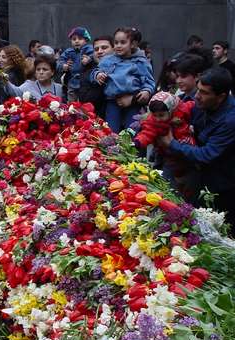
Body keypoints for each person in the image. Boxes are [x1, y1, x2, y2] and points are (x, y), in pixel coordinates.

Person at [158, 68, 235, 228]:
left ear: (221, 97)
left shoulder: (230, 120)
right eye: (198, 89)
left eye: (204, 93)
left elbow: (207, 154)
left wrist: (172, 143)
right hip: (199, 175)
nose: (197, 96)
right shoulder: (201, 104)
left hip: (223, 184)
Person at [91, 27, 155, 132]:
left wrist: (146, 91)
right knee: (111, 132)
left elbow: (149, 81)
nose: (118, 46)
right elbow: (94, 72)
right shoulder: (108, 60)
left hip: (133, 103)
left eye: (123, 42)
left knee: (132, 132)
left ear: (133, 44)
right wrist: (98, 75)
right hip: (112, 101)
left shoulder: (140, 62)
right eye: (116, 43)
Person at [134, 92, 196, 195]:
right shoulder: (153, 122)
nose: (158, 119)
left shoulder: (181, 110)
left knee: (187, 179)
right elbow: (146, 133)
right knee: (168, 180)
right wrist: (138, 142)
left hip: (187, 149)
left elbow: (193, 106)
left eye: (161, 115)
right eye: (155, 115)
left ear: (171, 110)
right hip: (168, 155)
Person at [78, 35, 113, 116]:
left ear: (114, 49)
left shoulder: (126, 67)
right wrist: (100, 80)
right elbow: (85, 101)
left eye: (104, 47)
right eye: (96, 49)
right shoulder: (87, 73)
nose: (99, 51)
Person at [57, 26, 94, 102]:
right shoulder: (68, 51)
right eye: (74, 39)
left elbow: (94, 56)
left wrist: (88, 59)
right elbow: (59, 61)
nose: (77, 41)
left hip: (85, 82)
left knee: (84, 101)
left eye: (80, 39)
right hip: (72, 81)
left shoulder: (89, 48)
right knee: (71, 101)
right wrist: (63, 66)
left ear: (86, 40)